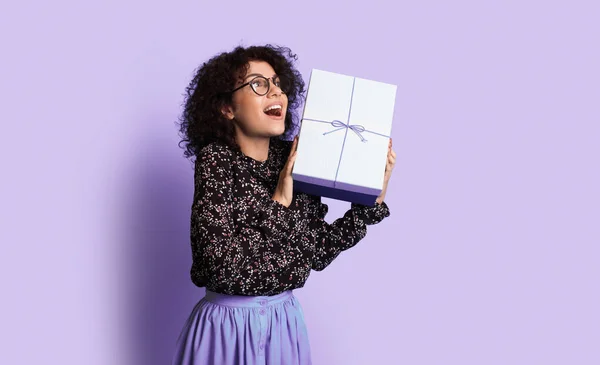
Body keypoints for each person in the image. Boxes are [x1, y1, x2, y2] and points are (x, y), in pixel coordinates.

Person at [172, 44, 397, 365]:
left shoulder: (292, 158)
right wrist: (280, 196)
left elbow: (316, 253)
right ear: (226, 108)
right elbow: (222, 268)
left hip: (284, 323)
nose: (275, 91)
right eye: (258, 84)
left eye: (277, 83)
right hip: (228, 327)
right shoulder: (216, 161)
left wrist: (370, 202)